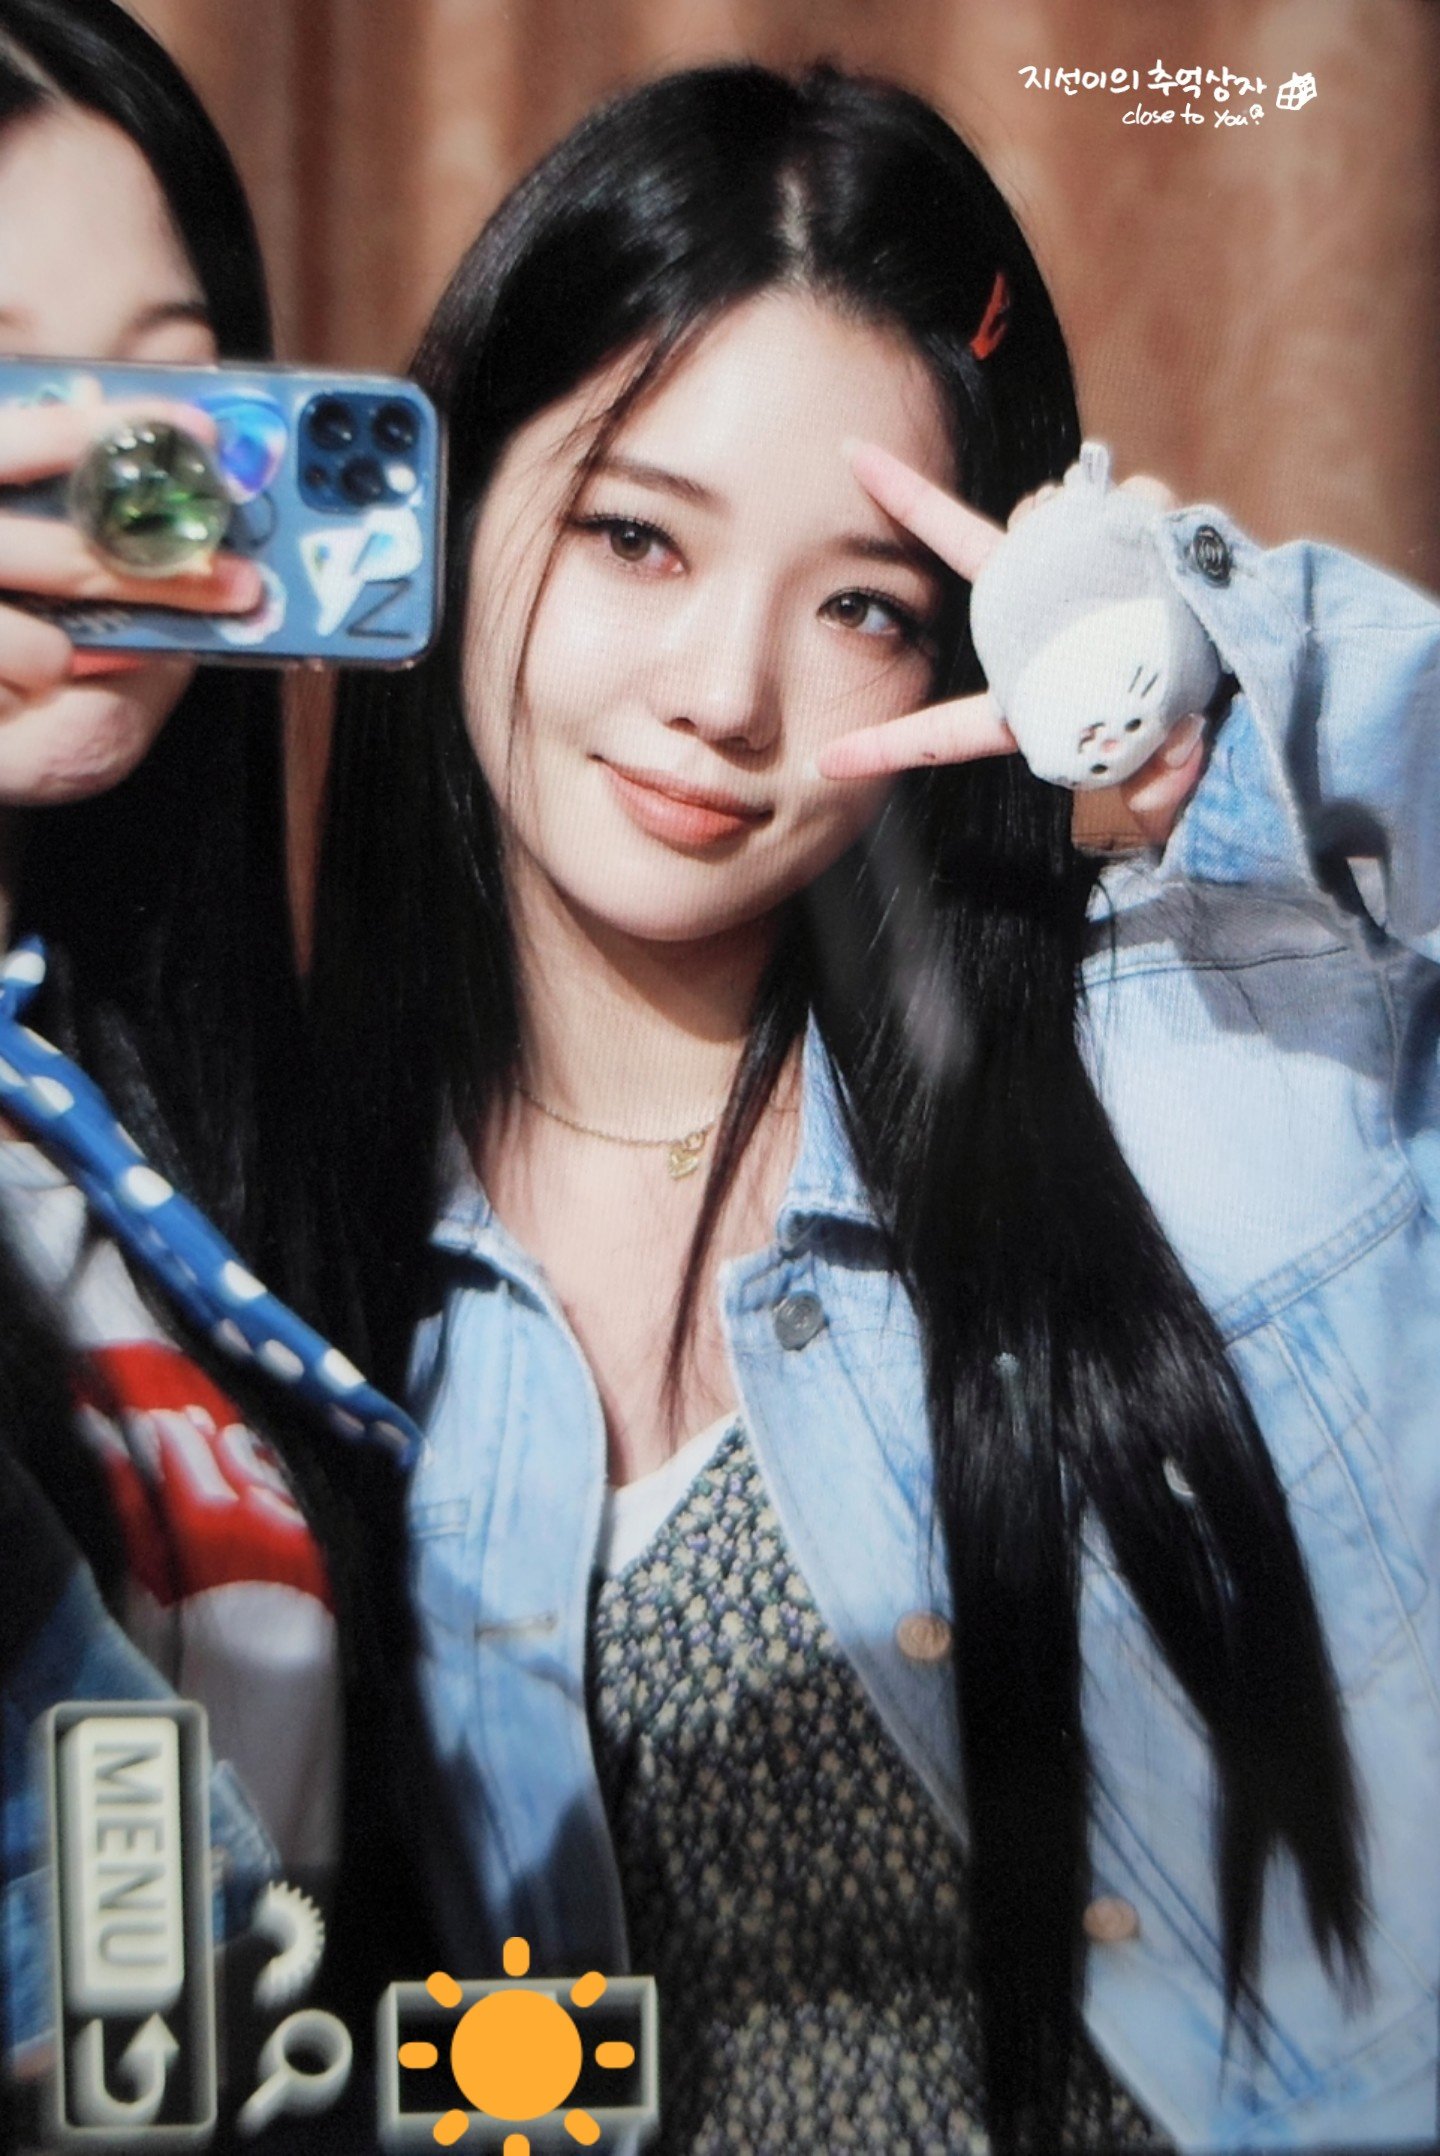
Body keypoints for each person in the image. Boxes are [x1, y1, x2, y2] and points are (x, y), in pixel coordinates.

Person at [312, 61, 1440, 2155]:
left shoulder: (1211, 1057)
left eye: (861, 606)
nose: (725, 694)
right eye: (636, 535)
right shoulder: (297, 1256)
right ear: (448, 510)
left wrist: (1228, 654)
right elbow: (394, 2038)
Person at [0, 0, 424, 2120]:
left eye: (160, 397)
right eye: (7, 391)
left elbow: (301, 2039)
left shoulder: (190, 1163)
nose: (94, 488)